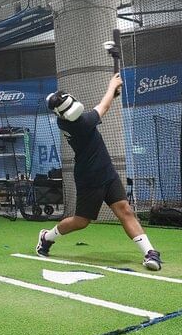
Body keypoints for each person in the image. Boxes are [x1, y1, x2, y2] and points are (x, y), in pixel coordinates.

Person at [38, 73, 162, 271]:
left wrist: (113, 94)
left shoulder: (66, 119)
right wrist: (112, 85)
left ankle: (150, 252)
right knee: (81, 222)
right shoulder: (82, 122)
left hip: (107, 172)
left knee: (125, 210)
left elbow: (102, 105)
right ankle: (47, 237)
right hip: (89, 178)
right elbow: (103, 107)